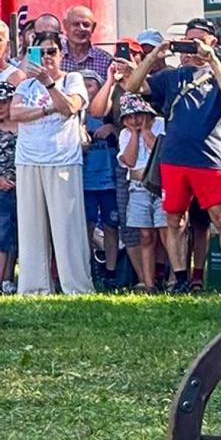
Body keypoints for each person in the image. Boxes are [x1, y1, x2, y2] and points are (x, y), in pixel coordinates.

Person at [125, 19, 221, 293]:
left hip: (208, 159)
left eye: (198, 40)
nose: (191, 47)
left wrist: (212, 59)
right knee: (174, 219)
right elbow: (133, 87)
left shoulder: (218, 75)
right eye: (188, 40)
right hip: (174, 160)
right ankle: (180, 278)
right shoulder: (170, 77)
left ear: (212, 42)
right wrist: (154, 56)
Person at [11, 30, 94, 294]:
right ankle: (34, 286)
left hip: (62, 158)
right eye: (41, 52)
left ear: (61, 54)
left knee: (67, 226)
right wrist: (46, 109)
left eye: (52, 51)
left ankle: (76, 286)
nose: (47, 57)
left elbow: (71, 106)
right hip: (29, 158)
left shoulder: (73, 79)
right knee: (31, 226)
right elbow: (15, 112)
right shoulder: (25, 84)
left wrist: (49, 84)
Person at [117, 94, 166, 293]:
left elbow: (160, 151)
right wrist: (135, 134)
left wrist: (145, 131)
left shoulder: (161, 124)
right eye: (129, 116)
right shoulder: (125, 134)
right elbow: (128, 161)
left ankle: (174, 278)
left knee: (166, 232)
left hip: (162, 185)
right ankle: (148, 282)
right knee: (145, 234)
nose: (135, 119)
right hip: (137, 187)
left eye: (138, 114)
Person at [81, 73, 122, 289]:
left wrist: (113, 129)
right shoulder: (77, 115)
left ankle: (111, 271)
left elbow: (126, 131)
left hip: (109, 180)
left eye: (91, 84)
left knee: (111, 226)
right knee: (85, 227)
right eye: (83, 85)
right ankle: (88, 268)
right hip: (84, 181)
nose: (87, 89)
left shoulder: (111, 112)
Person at [60, 5, 111, 80]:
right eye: (76, 24)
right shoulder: (53, 55)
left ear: (93, 28)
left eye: (86, 25)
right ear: (65, 25)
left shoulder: (105, 60)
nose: (81, 28)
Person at [0, 82, 17, 293]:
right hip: (2, 189)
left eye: (4, 102)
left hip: (25, 186)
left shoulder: (27, 126)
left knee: (18, 236)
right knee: (2, 235)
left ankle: (9, 279)